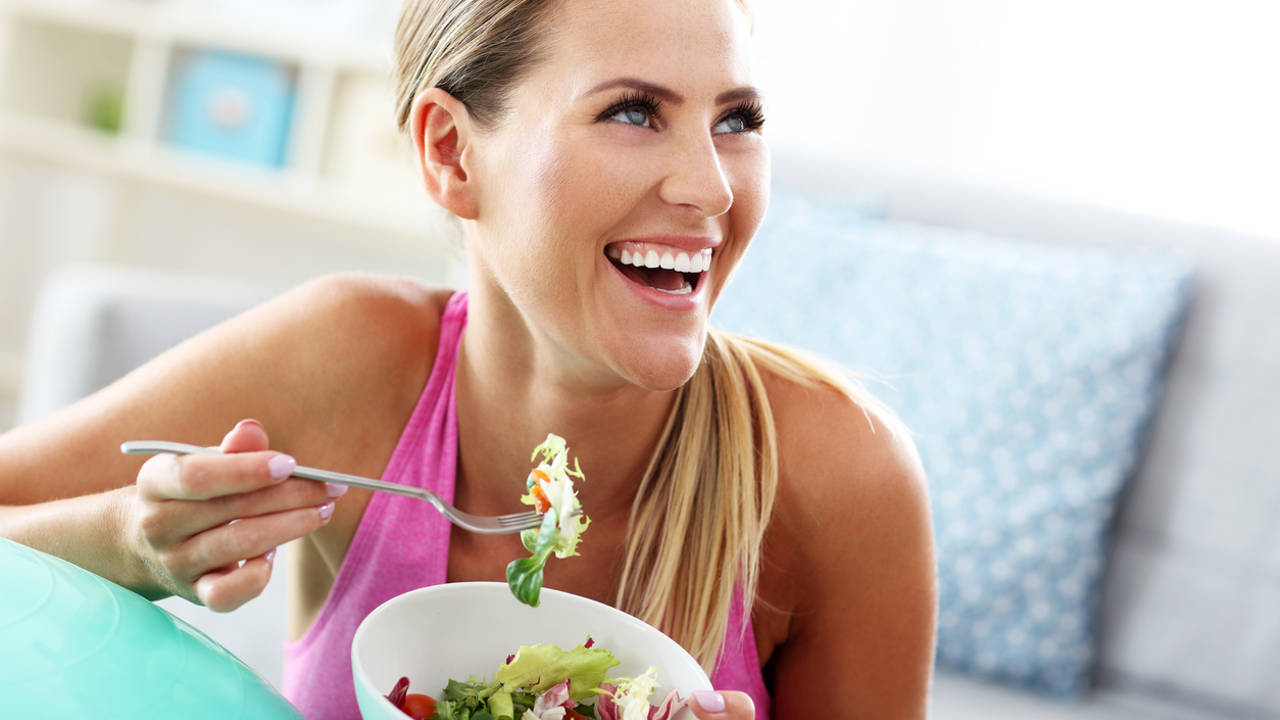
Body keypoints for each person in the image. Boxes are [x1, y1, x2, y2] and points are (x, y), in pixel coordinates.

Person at [0, 0, 937, 717]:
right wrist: (129, 541)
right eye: (633, 113)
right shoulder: (351, 359)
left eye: (736, 121)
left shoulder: (840, 472)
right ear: (452, 153)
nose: (710, 187)